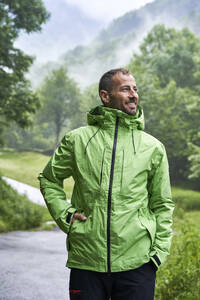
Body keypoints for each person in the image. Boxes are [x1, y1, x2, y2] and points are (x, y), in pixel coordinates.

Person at [38, 68, 174, 300]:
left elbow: (162, 204)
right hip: (87, 262)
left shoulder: (153, 147)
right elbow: (49, 179)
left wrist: (158, 252)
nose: (133, 94)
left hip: (138, 264)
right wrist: (66, 216)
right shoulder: (77, 139)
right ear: (105, 96)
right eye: (125, 89)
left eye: (135, 89)